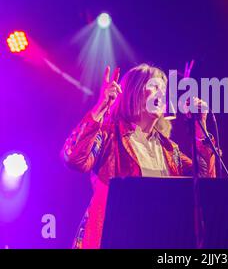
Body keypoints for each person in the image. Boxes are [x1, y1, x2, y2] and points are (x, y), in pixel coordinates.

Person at [61, 63, 216, 249]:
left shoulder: (169, 150)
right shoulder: (110, 135)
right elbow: (73, 158)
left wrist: (201, 129)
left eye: (164, 89)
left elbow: (206, 185)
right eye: (154, 86)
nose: (161, 93)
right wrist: (101, 106)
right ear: (133, 92)